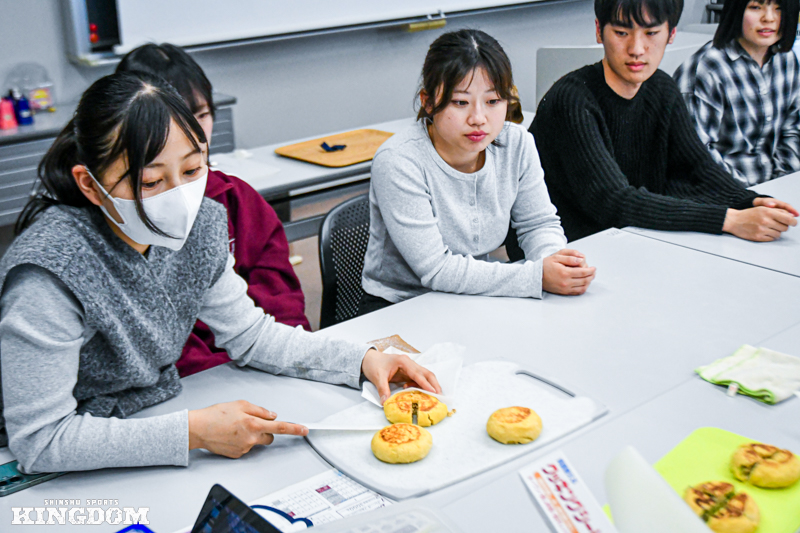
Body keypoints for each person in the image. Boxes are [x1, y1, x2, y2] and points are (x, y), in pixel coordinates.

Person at [0, 72, 439, 473]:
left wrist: (361, 360)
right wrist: (194, 432)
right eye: (151, 182)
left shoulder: (201, 225)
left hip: (150, 419)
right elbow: (41, 441)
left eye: (193, 170)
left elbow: (251, 335)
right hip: (69, 463)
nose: (180, 197)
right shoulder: (50, 273)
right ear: (90, 184)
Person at [359, 29, 596, 316]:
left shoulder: (516, 143)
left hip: (476, 295)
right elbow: (437, 270)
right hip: (401, 307)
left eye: (493, 101)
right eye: (460, 102)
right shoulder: (399, 160)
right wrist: (536, 277)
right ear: (428, 101)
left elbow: (538, 224)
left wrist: (555, 261)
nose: (478, 119)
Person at [116, 43, 311, 377]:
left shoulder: (234, 198)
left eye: (201, 115)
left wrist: (291, 349)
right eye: (174, 119)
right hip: (190, 379)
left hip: (254, 357)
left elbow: (279, 294)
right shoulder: (128, 221)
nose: (193, 132)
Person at [531, 0, 798, 243]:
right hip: (569, 250)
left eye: (651, 33)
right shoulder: (572, 99)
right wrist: (728, 220)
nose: (637, 49)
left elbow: (699, 169)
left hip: (632, 239)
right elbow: (612, 201)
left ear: (671, 34)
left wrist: (751, 202)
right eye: (621, 33)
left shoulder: (661, 87)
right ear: (599, 31)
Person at [674, 0, 800, 186]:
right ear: (736, 10)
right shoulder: (706, 69)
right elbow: (698, 155)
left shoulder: (786, 60)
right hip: (724, 192)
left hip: (776, 188)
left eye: (779, 9)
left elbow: (793, 130)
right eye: (756, 7)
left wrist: (781, 183)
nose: (769, 18)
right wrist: (748, 195)